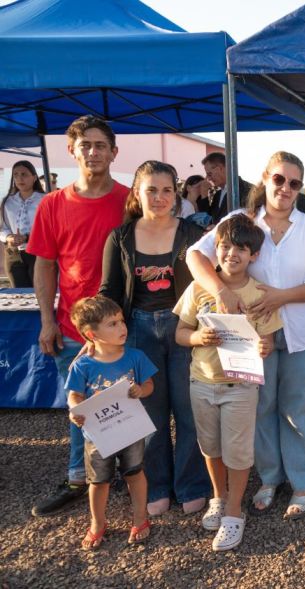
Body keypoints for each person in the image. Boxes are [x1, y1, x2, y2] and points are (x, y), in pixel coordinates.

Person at [186, 151, 305, 521]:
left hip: (304, 332)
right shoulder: (240, 221)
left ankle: (303, 482)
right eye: (279, 179)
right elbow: (194, 255)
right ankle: (269, 478)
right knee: (261, 406)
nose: (285, 188)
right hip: (251, 336)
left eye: (295, 183)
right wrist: (221, 291)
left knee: (301, 408)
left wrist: (281, 297)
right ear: (265, 179)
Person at [27, 115, 130, 517]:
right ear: (72, 150)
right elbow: (44, 265)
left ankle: (126, 474)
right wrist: (47, 321)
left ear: (113, 152)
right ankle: (78, 478)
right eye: (84, 144)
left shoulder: (128, 201)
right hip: (72, 328)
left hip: (122, 327)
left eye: (100, 144)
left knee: (125, 405)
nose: (93, 151)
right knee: (80, 410)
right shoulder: (53, 204)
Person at [99, 161, 210, 517]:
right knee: (150, 413)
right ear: (137, 193)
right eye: (151, 189)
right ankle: (157, 484)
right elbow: (110, 291)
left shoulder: (193, 234)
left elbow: (211, 281)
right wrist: (101, 338)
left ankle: (192, 483)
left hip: (183, 330)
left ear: (175, 194)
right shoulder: (120, 237)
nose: (160, 197)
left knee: (190, 411)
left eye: (166, 190)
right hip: (138, 331)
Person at [175, 214, 280, 551]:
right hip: (201, 382)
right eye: (224, 246)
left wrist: (266, 346)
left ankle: (234, 513)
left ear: (254, 256)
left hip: (241, 387)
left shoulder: (258, 293)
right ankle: (218, 498)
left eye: (241, 248)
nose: (231, 253)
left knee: (237, 451)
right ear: (215, 249)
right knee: (210, 447)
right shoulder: (198, 288)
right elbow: (179, 333)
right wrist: (197, 337)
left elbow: (268, 340)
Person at [66, 295, 156, 550]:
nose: (122, 327)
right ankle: (97, 523)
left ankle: (140, 517)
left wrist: (141, 390)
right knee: (98, 481)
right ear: (91, 334)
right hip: (97, 435)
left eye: (121, 321)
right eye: (112, 324)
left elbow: (150, 385)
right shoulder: (82, 364)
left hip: (130, 430)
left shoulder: (136, 357)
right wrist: (74, 409)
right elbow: (74, 395)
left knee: (135, 473)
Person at [1, 160, 45, 287]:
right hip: (13, 253)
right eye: (16, 174)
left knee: (40, 292)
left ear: (34, 177)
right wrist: (9, 237)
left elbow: (51, 228)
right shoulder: (7, 201)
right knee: (19, 294)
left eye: (24, 174)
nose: (19, 178)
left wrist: (26, 237)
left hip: (38, 252)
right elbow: (3, 228)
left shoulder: (45, 200)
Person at [197, 152, 253, 224]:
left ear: (220, 168)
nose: (208, 178)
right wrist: (204, 195)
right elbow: (207, 220)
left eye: (209, 174)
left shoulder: (249, 190)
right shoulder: (217, 195)